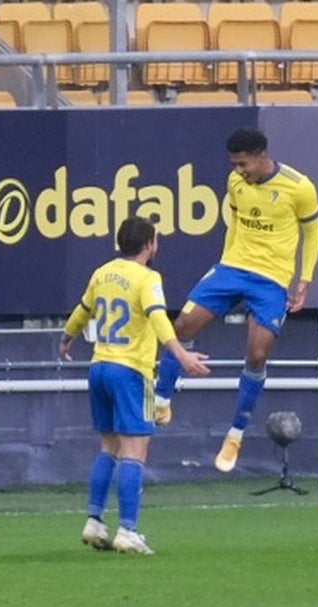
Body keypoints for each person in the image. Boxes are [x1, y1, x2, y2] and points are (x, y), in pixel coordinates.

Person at [153, 127, 318, 472]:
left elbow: (313, 233)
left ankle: (236, 433)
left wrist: (304, 279)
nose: (238, 170)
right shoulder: (235, 183)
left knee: (257, 354)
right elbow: (234, 224)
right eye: (233, 164)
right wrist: (224, 263)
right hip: (232, 267)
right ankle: (161, 399)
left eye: (242, 163)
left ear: (261, 156)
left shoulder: (299, 187)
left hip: (272, 280)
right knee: (182, 324)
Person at [60, 216, 210, 555]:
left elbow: (82, 312)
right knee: (135, 451)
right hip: (129, 371)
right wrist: (181, 355)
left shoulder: (102, 273)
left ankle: (94, 520)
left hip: (98, 367)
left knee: (108, 448)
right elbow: (158, 317)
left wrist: (66, 340)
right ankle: (128, 530)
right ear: (149, 245)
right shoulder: (147, 277)